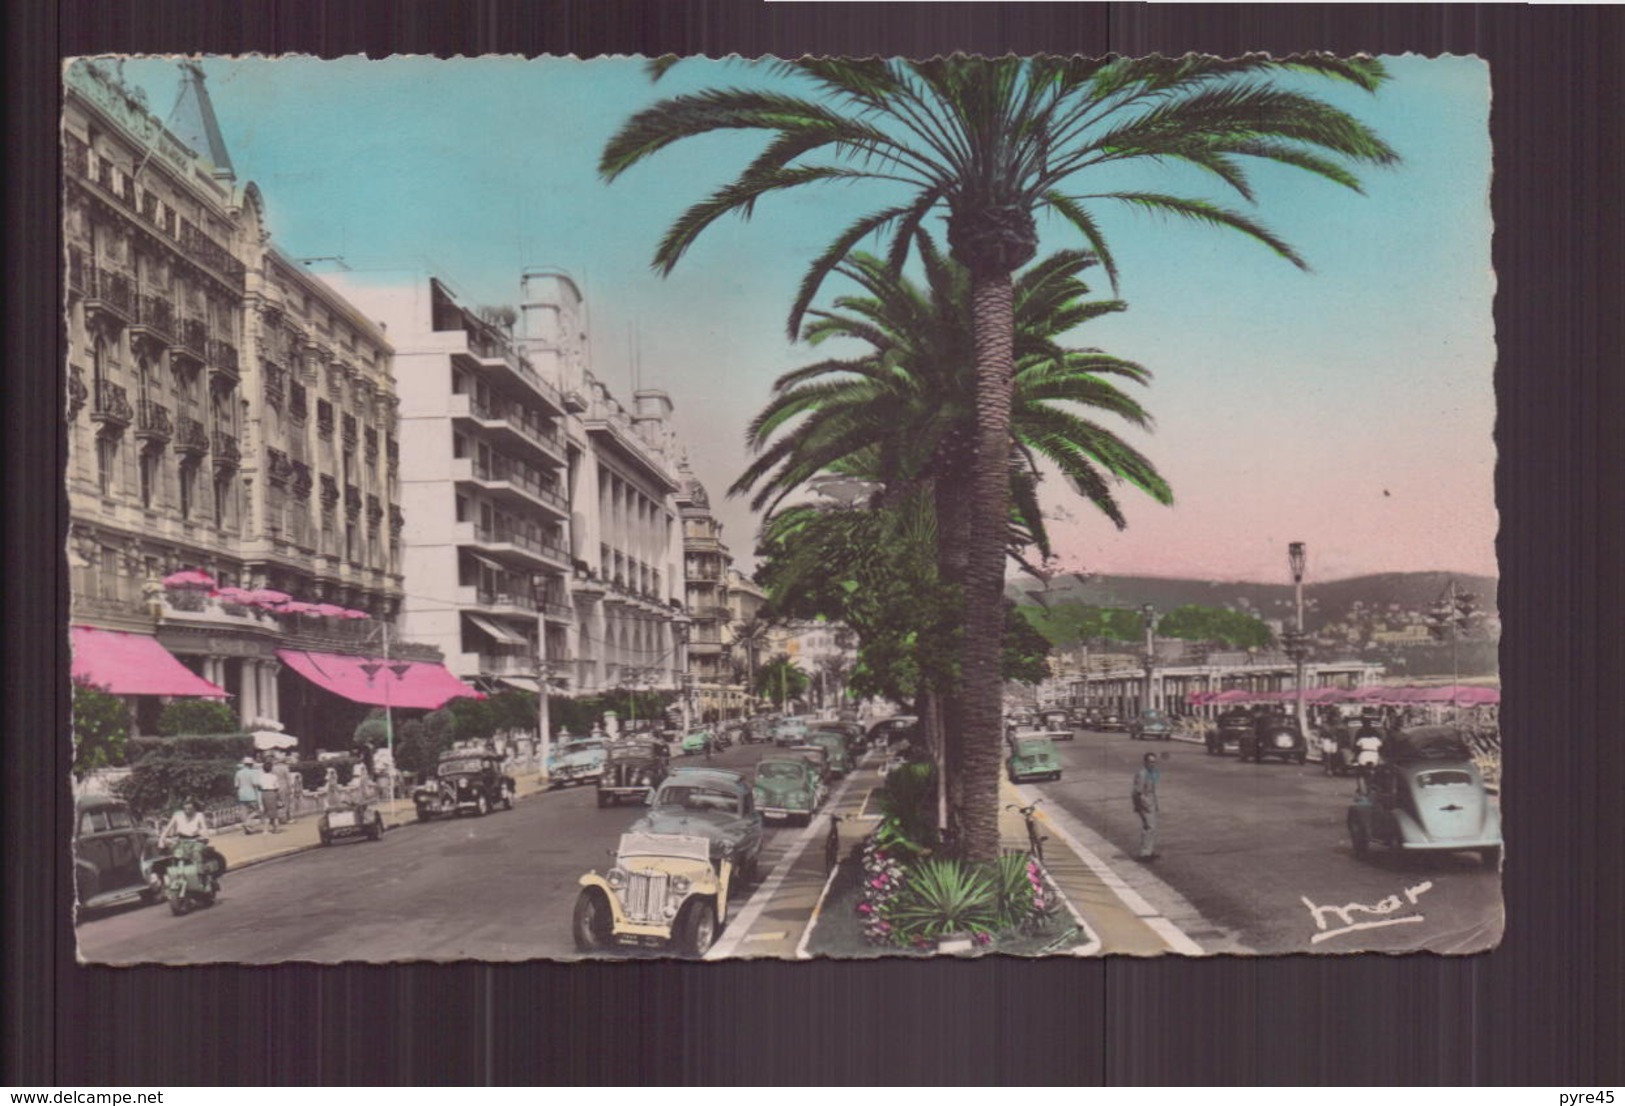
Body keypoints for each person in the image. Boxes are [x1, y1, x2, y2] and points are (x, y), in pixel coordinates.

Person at [1131, 752, 1161, 861]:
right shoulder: (1142, 774)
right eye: (1150, 762)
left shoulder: (1151, 773)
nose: (1153, 764)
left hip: (1151, 803)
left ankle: (1149, 851)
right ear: (1145, 762)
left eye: (1154, 762)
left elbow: (1152, 790)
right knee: (1150, 827)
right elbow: (1137, 792)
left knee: (1151, 827)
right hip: (1145, 804)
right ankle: (1144, 853)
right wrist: (1143, 806)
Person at [234, 756, 263, 834]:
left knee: (244, 812)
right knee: (258, 811)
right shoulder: (252, 772)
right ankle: (247, 823)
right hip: (251, 794)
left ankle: (246, 829)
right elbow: (255, 783)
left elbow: (236, 785)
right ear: (250, 764)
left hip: (241, 794)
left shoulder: (238, 773)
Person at [1354, 724, 1384, 794]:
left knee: (1359, 773)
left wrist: (1355, 757)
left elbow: (1356, 748)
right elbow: (1381, 748)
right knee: (1377, 770)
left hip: (1363, 756)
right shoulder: (1376, 740)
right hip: (1374, 756)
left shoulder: (1361, 739)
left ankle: (1360, 788)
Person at [257, 757, 283, 833]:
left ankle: (266, 829)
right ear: (271, 768)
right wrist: (279, 798)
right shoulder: (273, 777)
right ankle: (276, 828)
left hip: (264, 793)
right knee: (274, 812)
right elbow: (277, 787)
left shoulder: (261, 777)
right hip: (272, 793)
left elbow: (259, 786)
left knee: (266, 812)